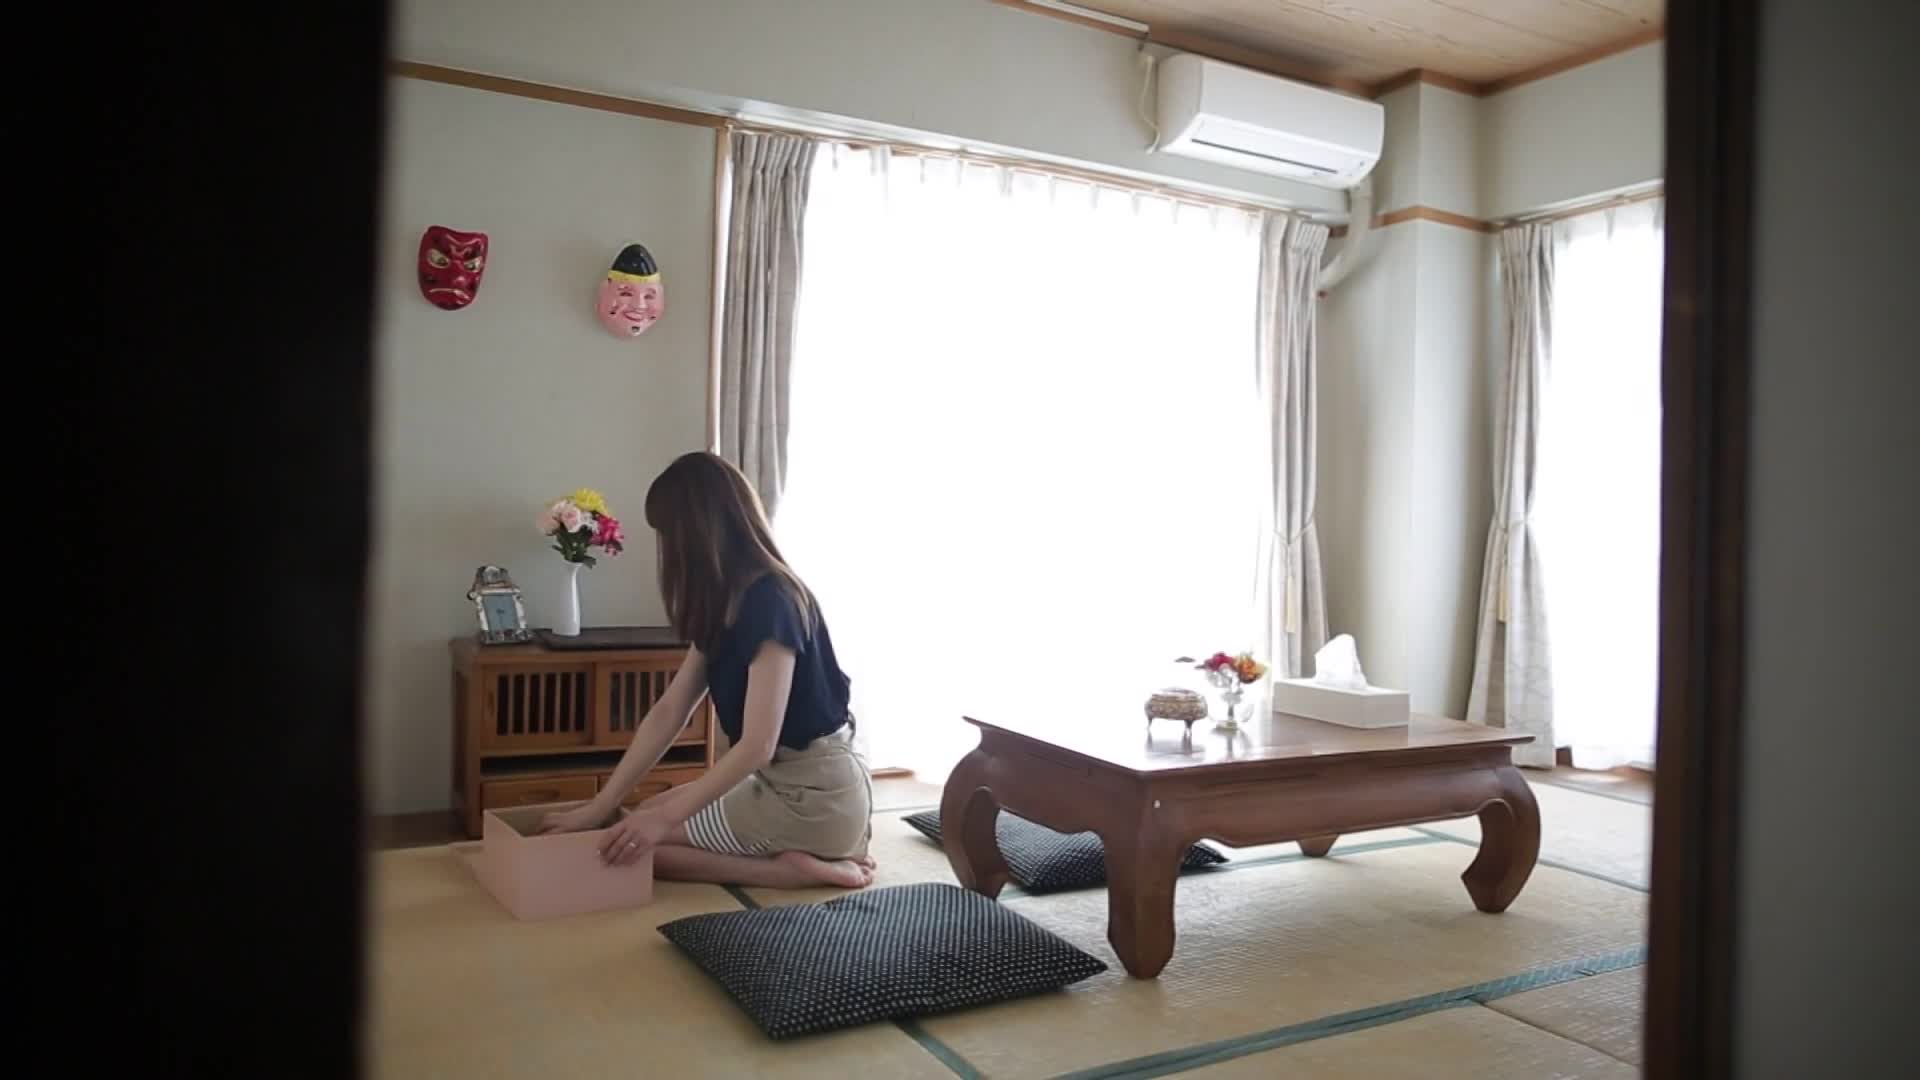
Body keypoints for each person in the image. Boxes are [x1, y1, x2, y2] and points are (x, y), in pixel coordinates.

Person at [539, 451, 875, 889]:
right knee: (636, 821)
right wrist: (600, 805)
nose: (666, 549)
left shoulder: (772, 600)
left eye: (668, 534)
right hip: (779, 784)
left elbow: (757, 745)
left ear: (697, 532)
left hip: (815, 799)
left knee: (637, 848)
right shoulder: (724, 602)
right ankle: (803, 855)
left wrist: (661, 822)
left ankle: (792, 872)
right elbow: (669, 712)